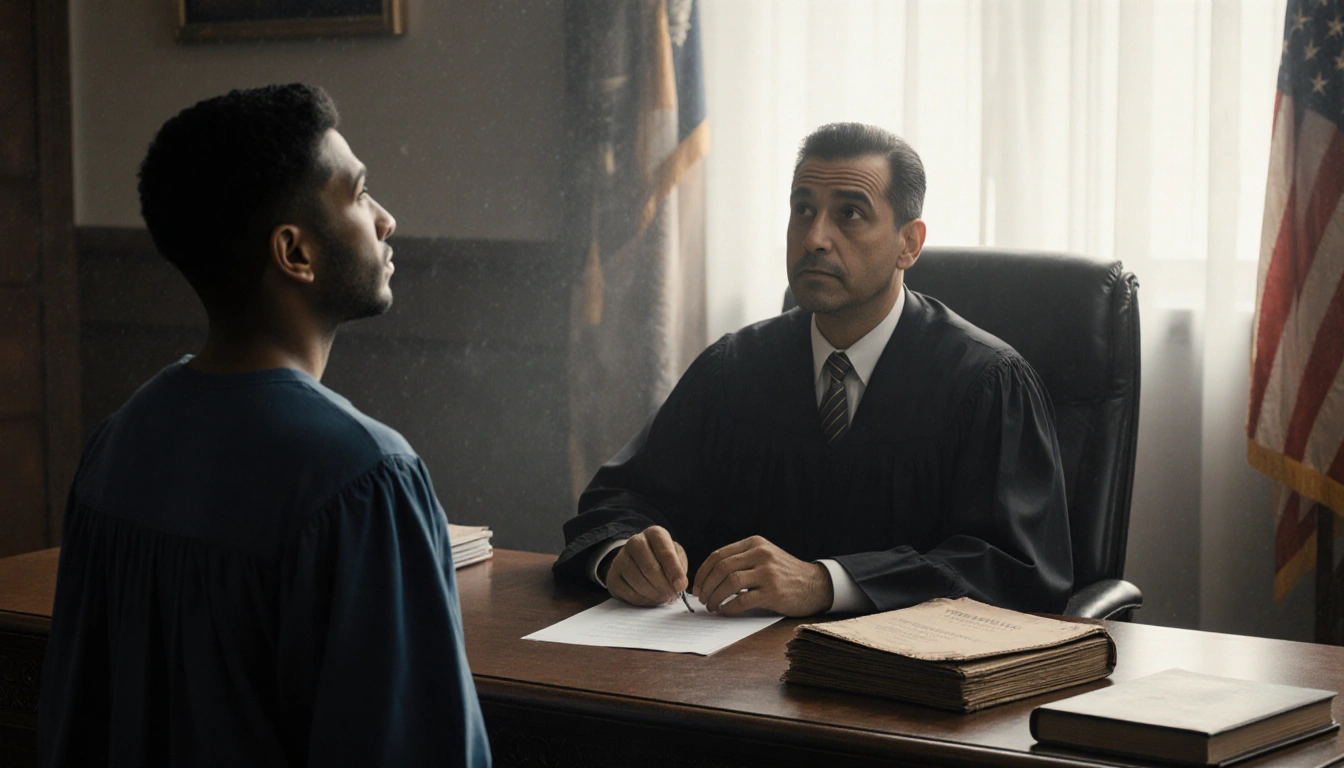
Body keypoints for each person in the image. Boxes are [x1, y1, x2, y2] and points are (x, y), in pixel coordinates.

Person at [38, 84, 490, 767]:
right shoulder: (365, 477)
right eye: (359, 193)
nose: (385, 219)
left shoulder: (117, 442)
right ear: (295, 253)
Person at [554, 123, 1072, 619]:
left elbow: (1014, 571)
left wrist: (825, 583)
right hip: (727, 682)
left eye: (849, 213)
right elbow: (619, 499)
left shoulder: (986, 384)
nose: (814, 238)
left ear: (908, 244)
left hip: (905, 698)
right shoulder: (733, 370)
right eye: (803, 209)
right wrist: (624, 555)